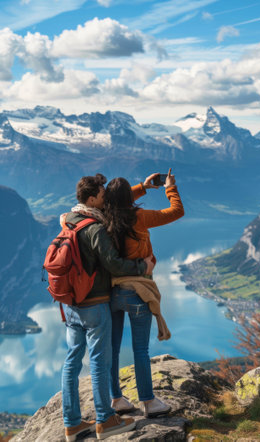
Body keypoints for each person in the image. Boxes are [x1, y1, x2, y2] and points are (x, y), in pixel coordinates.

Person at [61, 173, 154, 442]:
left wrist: (142, 188)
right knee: (100, 361)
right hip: (93, 303)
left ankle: (72, 424)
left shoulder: (69, 220)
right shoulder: (96, 228)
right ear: (92, 199)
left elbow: (117, 202)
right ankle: (106, 420)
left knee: (72, 361)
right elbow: (114, 264)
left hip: (70, 304)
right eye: (102, 194)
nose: (106, 197)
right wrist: (142, 267)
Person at [104, 169, 184, 418]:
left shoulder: (103, 216)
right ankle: (149, 402)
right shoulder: (139, 217)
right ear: (128, 198)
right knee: (140, 350)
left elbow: (113, 201)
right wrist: (170, 187)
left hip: (112, 291)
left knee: (113, 349)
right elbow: (176, 212)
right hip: (138, 289)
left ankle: (116, 399)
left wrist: (143, 186)